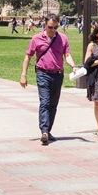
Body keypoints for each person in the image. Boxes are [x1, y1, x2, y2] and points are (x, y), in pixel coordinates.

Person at [19, 14, 77, 145]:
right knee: (44, 101)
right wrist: (24, 75)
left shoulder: (62, 38)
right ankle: (44, 131)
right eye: (50, 27)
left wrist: (73, 66)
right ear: (45, 24)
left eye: (56, 27)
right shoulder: (36, 38)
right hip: (43, 74)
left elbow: (67, 55)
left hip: (58, 74)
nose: (53, 30)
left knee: (53, 104)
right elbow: (28, 57)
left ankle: (48, 130)